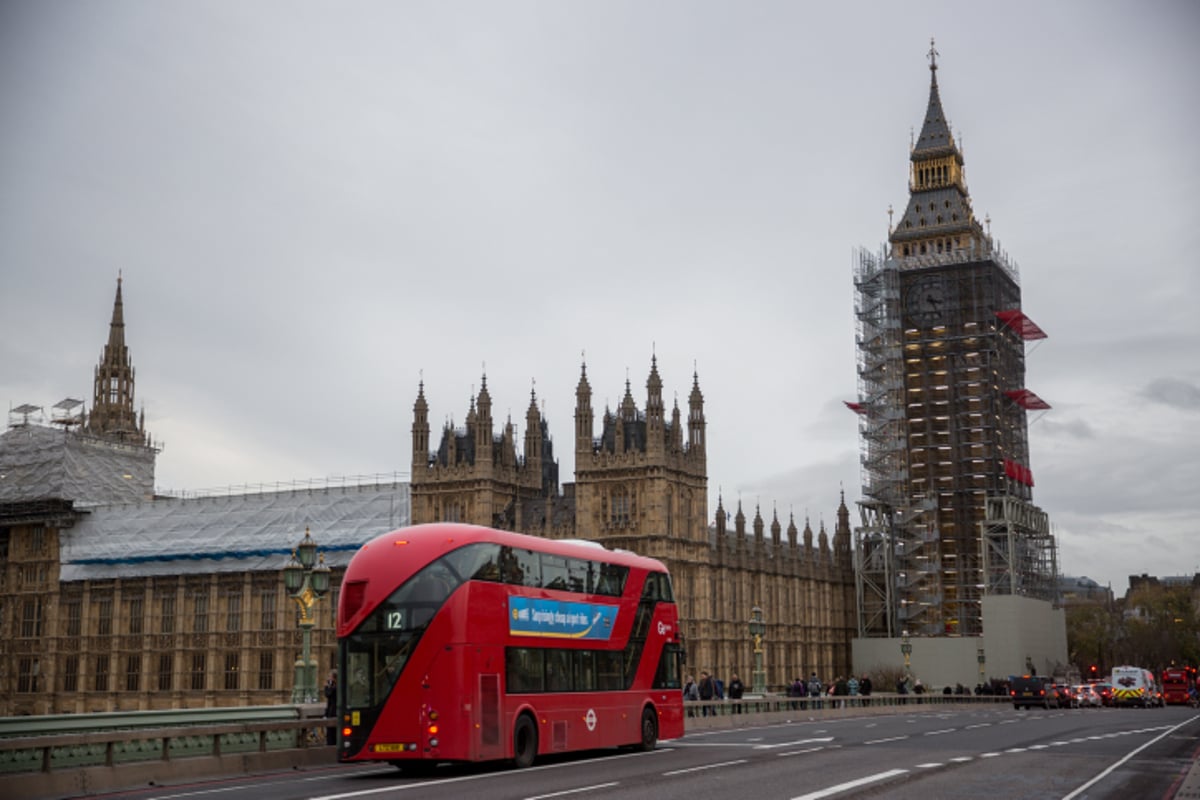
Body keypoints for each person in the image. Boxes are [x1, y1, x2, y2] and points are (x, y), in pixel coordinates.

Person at [323, 668, 338, 745]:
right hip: (331, 713)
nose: (328, 678)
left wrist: (326, 687)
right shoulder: (333, 686)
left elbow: (328, 694)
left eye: (330, 676)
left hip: (334, 713)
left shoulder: (336, 688)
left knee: (332, 734)